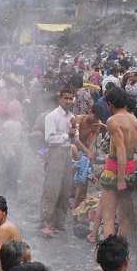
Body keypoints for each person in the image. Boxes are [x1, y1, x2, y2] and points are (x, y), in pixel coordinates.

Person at [99, 86, 137, 240]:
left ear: (110, 104)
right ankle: (123, 252)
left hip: (114, 169)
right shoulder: (136, 121)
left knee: (108, 217)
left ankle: (109, 255)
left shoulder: (113, 121)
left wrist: (120, 179)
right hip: (131, 168)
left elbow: (120, 150)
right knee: (125, 217)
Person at [40, 89, 75, 237]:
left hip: (67, 153)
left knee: (65, 189)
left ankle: (59, 222)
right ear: (60, 99)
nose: (68, 101)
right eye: (66, 98)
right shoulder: (52, 116)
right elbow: (50, 138)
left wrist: (73, 131)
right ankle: (46, 223)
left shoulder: (72, 117)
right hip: (55, 153)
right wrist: (68, 135)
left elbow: (75, 137)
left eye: (70, 98)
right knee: (52, 188)